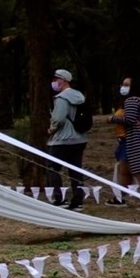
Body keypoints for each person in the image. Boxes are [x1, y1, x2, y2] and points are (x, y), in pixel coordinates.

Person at [45, 69, 88, 209]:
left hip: (62, 139)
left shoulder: (62, 98)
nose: (54, 82)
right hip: (80, 138)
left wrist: (51, 129)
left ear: (63, 80)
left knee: (52, 167)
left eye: (56, 79)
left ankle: (59, 198)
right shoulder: (79, 96)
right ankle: (78, 200)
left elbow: (58, 119)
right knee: (75, 169)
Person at [109, 82, 140, 199]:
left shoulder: (132, 100)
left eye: (126, 85)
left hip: (137, 141)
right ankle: (122, 197)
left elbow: (129, 119)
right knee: (134, 171)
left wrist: (112, 119)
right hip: (137, 141)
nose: (123, 87)